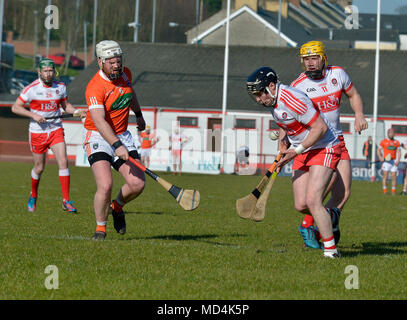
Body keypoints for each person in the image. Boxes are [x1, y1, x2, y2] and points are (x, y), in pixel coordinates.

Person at [247, 66, 342, 258]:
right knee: (301, 205)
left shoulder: (292, 99)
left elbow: (320, 128)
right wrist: (284, 144)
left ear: (271, 86)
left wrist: (295, 151)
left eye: (259, 94)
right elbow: (286, 124)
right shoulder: (273, 103)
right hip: (302, 149)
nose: (258, 99)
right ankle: (330, 215)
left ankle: (331, 251)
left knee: (313, 200)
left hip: (324, 146)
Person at [290, 40, 368, 249]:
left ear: (324, 58)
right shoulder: (297, 86)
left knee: (343, 194)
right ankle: (311, 225)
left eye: (314, 58)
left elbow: (353, 95)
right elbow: (289, 115)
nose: (310, 63)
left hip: (337, 141)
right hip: (315, 145)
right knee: (317, 193)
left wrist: (359, 115)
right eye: (306, 59)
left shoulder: (338, 74)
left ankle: (326, 221)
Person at [84, 40, 146, 240]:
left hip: (122, 134)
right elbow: (100, 122)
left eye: (118, 61)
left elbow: (131, 93)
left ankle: (117, 207)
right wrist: (116, 145)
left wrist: (138, 114)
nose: (116, 65)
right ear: (100, 62)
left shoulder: (125, 74)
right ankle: (100, 228)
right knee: (105, 185)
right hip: (98, 136)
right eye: (111, 62)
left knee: (137, 184)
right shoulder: (94, 87)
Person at [11, 58, 85, 213]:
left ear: (54, 71)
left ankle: (66, 200)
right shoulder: (31, 89)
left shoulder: (61, 87)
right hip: (37, 132)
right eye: (45, 71)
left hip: (55, 129)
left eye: (51, 70)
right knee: (39, 167)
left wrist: (76, 111)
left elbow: (65, 106)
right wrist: (34, 115)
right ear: (40, 72)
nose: (48, 73)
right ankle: (33, 194)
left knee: (63, 162)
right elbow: (15, 107)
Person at [377, 128, 401, 195]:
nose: (391, 134)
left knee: (394, 176)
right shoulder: (383, 141)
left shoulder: (397, 142)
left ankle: (393, 191)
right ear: (388, 134)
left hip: (394, 161)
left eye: (392, 133)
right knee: (385, 176)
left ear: (394, 134)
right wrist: (380, 157)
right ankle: (385, 191)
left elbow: (399, 152)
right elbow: (378, 150)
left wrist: (398, 160)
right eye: (389, 133)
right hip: (386, 162)